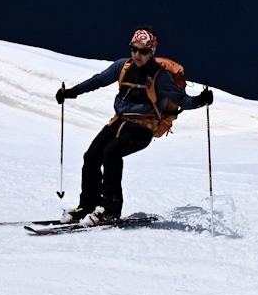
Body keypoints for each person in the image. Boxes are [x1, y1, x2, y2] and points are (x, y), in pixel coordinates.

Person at [55, 28, 213, 225]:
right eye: (134, 49)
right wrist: (72, 92)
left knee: (111, 153)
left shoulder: (159, 76)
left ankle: (110, 210)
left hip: (142, 128)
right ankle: (87, 206)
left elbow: (180, 99)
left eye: (143, 51)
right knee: (91, 155)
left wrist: (199, 101)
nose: (137, 55)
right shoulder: (123, 66)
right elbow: (98, 80)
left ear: (152, 52)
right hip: (119, 122)